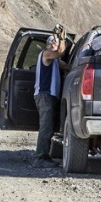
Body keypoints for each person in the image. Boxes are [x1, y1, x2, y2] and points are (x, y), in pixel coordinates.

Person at [32, 33, 66, 164]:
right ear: (52, 44)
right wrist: (62, 38)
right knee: (46, 127)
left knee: (49, 127)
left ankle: (44, 155)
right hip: (44, 95)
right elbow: (60, 53)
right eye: (57, 44)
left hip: (49, 96)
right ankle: (40, 158)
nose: (58, 46)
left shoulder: (54, 60)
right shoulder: (46, 54)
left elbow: (66, 66)